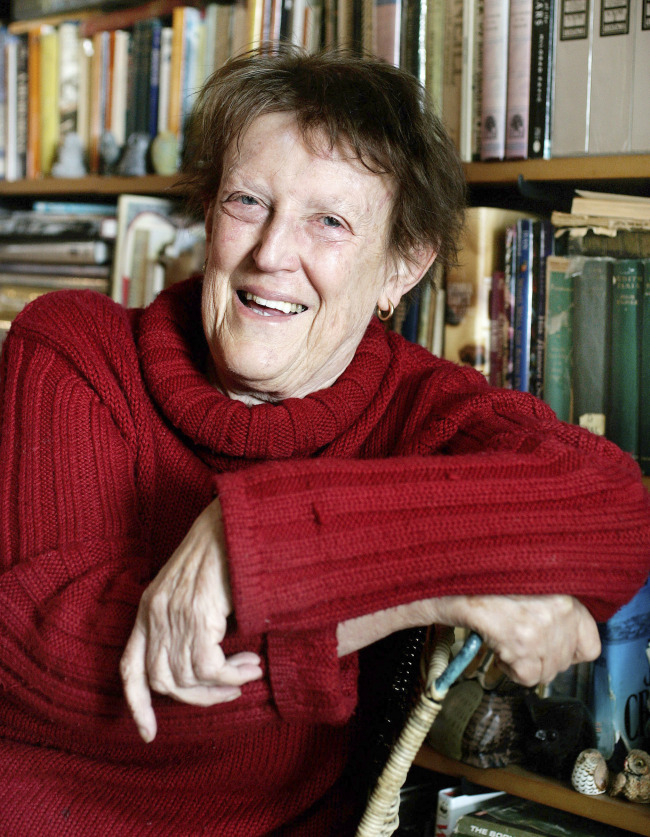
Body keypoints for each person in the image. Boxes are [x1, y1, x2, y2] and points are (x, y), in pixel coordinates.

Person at [0, 45, 648, 836]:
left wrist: (250, 537)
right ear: (208, 213)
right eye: (246, 201)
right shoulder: (72, 347)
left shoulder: (421, 406)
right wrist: (420, 588)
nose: (272, 255)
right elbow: (58, 665)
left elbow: (616, 513)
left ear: (400, 269)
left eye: (330, 221)